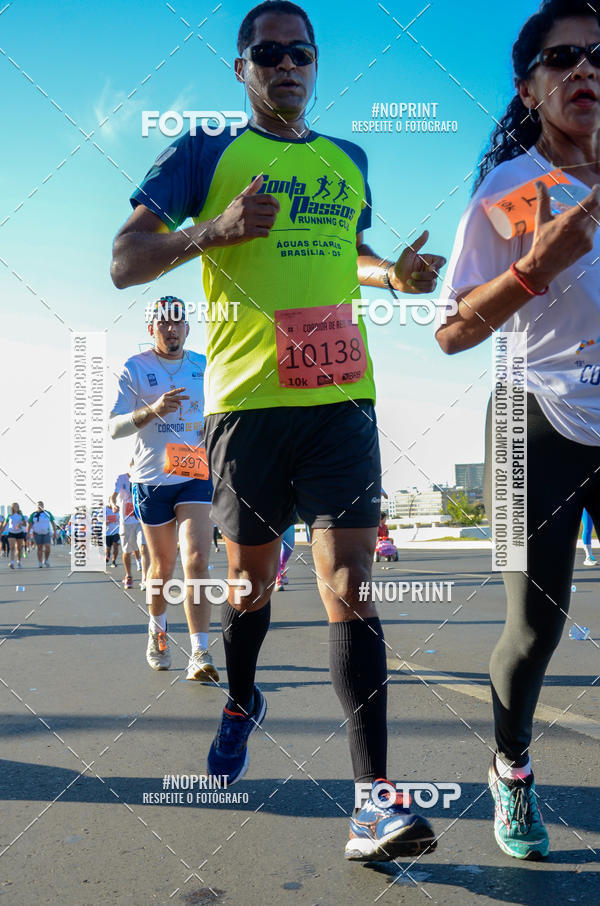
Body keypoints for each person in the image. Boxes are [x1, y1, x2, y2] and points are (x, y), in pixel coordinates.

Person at [111, 1, 445, 860]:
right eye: (267, 53)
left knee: (349, 585)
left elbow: (349, 255)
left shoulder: (349, 159)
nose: (286, 64)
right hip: (247, 408)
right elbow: (124, 260)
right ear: (241, 70)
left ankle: (374, 801)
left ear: (318, 63)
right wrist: (212, 231)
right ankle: (241, 697)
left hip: (342, 400)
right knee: (251, 592)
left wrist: (394, 276)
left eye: (301, 51)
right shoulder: (204, 154)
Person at [436, 0, 600, 860]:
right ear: (529, 86)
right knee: (537, 626)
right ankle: (511, 768)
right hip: (534, 420)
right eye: (563, 57)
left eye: (597, 55)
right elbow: (453, 329)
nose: (585, 71)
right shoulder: (510, 191)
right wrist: (539, 265)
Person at [109, 297, 219, 682]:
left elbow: (223, 410)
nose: (171, 329)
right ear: (151, 329)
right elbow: (113, 427)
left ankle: (200, 651)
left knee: (196, 560)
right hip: (151, 478)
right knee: (162, 568)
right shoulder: (135, 367)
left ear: (187, 328)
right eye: (163, 323)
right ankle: (157, 634)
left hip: (195, 474)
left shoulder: (203, 365)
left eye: (178, 322)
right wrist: (152, 410)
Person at [28, 501, 56, 568]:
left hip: (46, 533)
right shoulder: (33, 514)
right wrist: (28, 533)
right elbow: (30, 524)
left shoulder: (48, 513)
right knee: (39, 548)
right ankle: (40, 562)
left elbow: (52, 523)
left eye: (41, 505)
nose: (40, 506)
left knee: (47, 547)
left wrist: (55, 532)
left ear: (43, 506)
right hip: (37, 533)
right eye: (38, 505)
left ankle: (46, 560)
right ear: (37, 506)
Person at [2, 503, 27, 569]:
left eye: (17, 506)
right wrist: (1, 532)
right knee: (12, 547)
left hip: (19, 532)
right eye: (15, 507)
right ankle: (12, 562)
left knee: (19, 548)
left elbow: (25, 524)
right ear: (12, 508)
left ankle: (18, 561)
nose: (16, 508)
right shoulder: (9, 515)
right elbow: (4, 525)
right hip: (11, 532)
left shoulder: (21, 515)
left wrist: (20, 523)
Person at [274, 523, 295, 590]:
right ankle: (278, 579)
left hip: (288, 517)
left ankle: (281, 569)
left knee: (289, 548)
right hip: (272, 518)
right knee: (275, 548)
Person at [106, 503, 120, 567]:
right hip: (107, 532)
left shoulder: (118, 509)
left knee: (115, 546)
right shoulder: (104, 509)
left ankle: (114, 561)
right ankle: (108, 555)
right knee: (108, 548)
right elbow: (99, 519)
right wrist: (106, 521)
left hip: (116, 531)